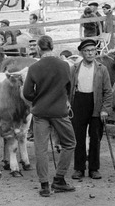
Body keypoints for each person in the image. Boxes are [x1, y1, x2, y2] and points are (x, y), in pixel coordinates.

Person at [22, 35, 77, 197]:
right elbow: (70, 88)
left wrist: (38, 99)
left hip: (40, 112)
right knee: (70, 143)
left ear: (39, 48)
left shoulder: (34, 68)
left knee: (41, 148)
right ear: (52, 47)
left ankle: (45, 185)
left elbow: (27, 93)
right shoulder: (65, 65)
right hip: (60, 111)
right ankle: (59, 179)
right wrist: (64, 100)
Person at [69, 39, 113, 180]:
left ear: (96, 51)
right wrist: (68, 103)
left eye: (92, 50)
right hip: (79, 103)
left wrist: (105, 109)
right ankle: (79, 168)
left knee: (95, 137)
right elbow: (68, 88)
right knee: (78, 137)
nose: (90, 53)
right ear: (82, 52)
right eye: (87, 51)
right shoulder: (74, 68)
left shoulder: (102, 68)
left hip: (96, 104)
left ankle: (94, 168)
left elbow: (108, 91)